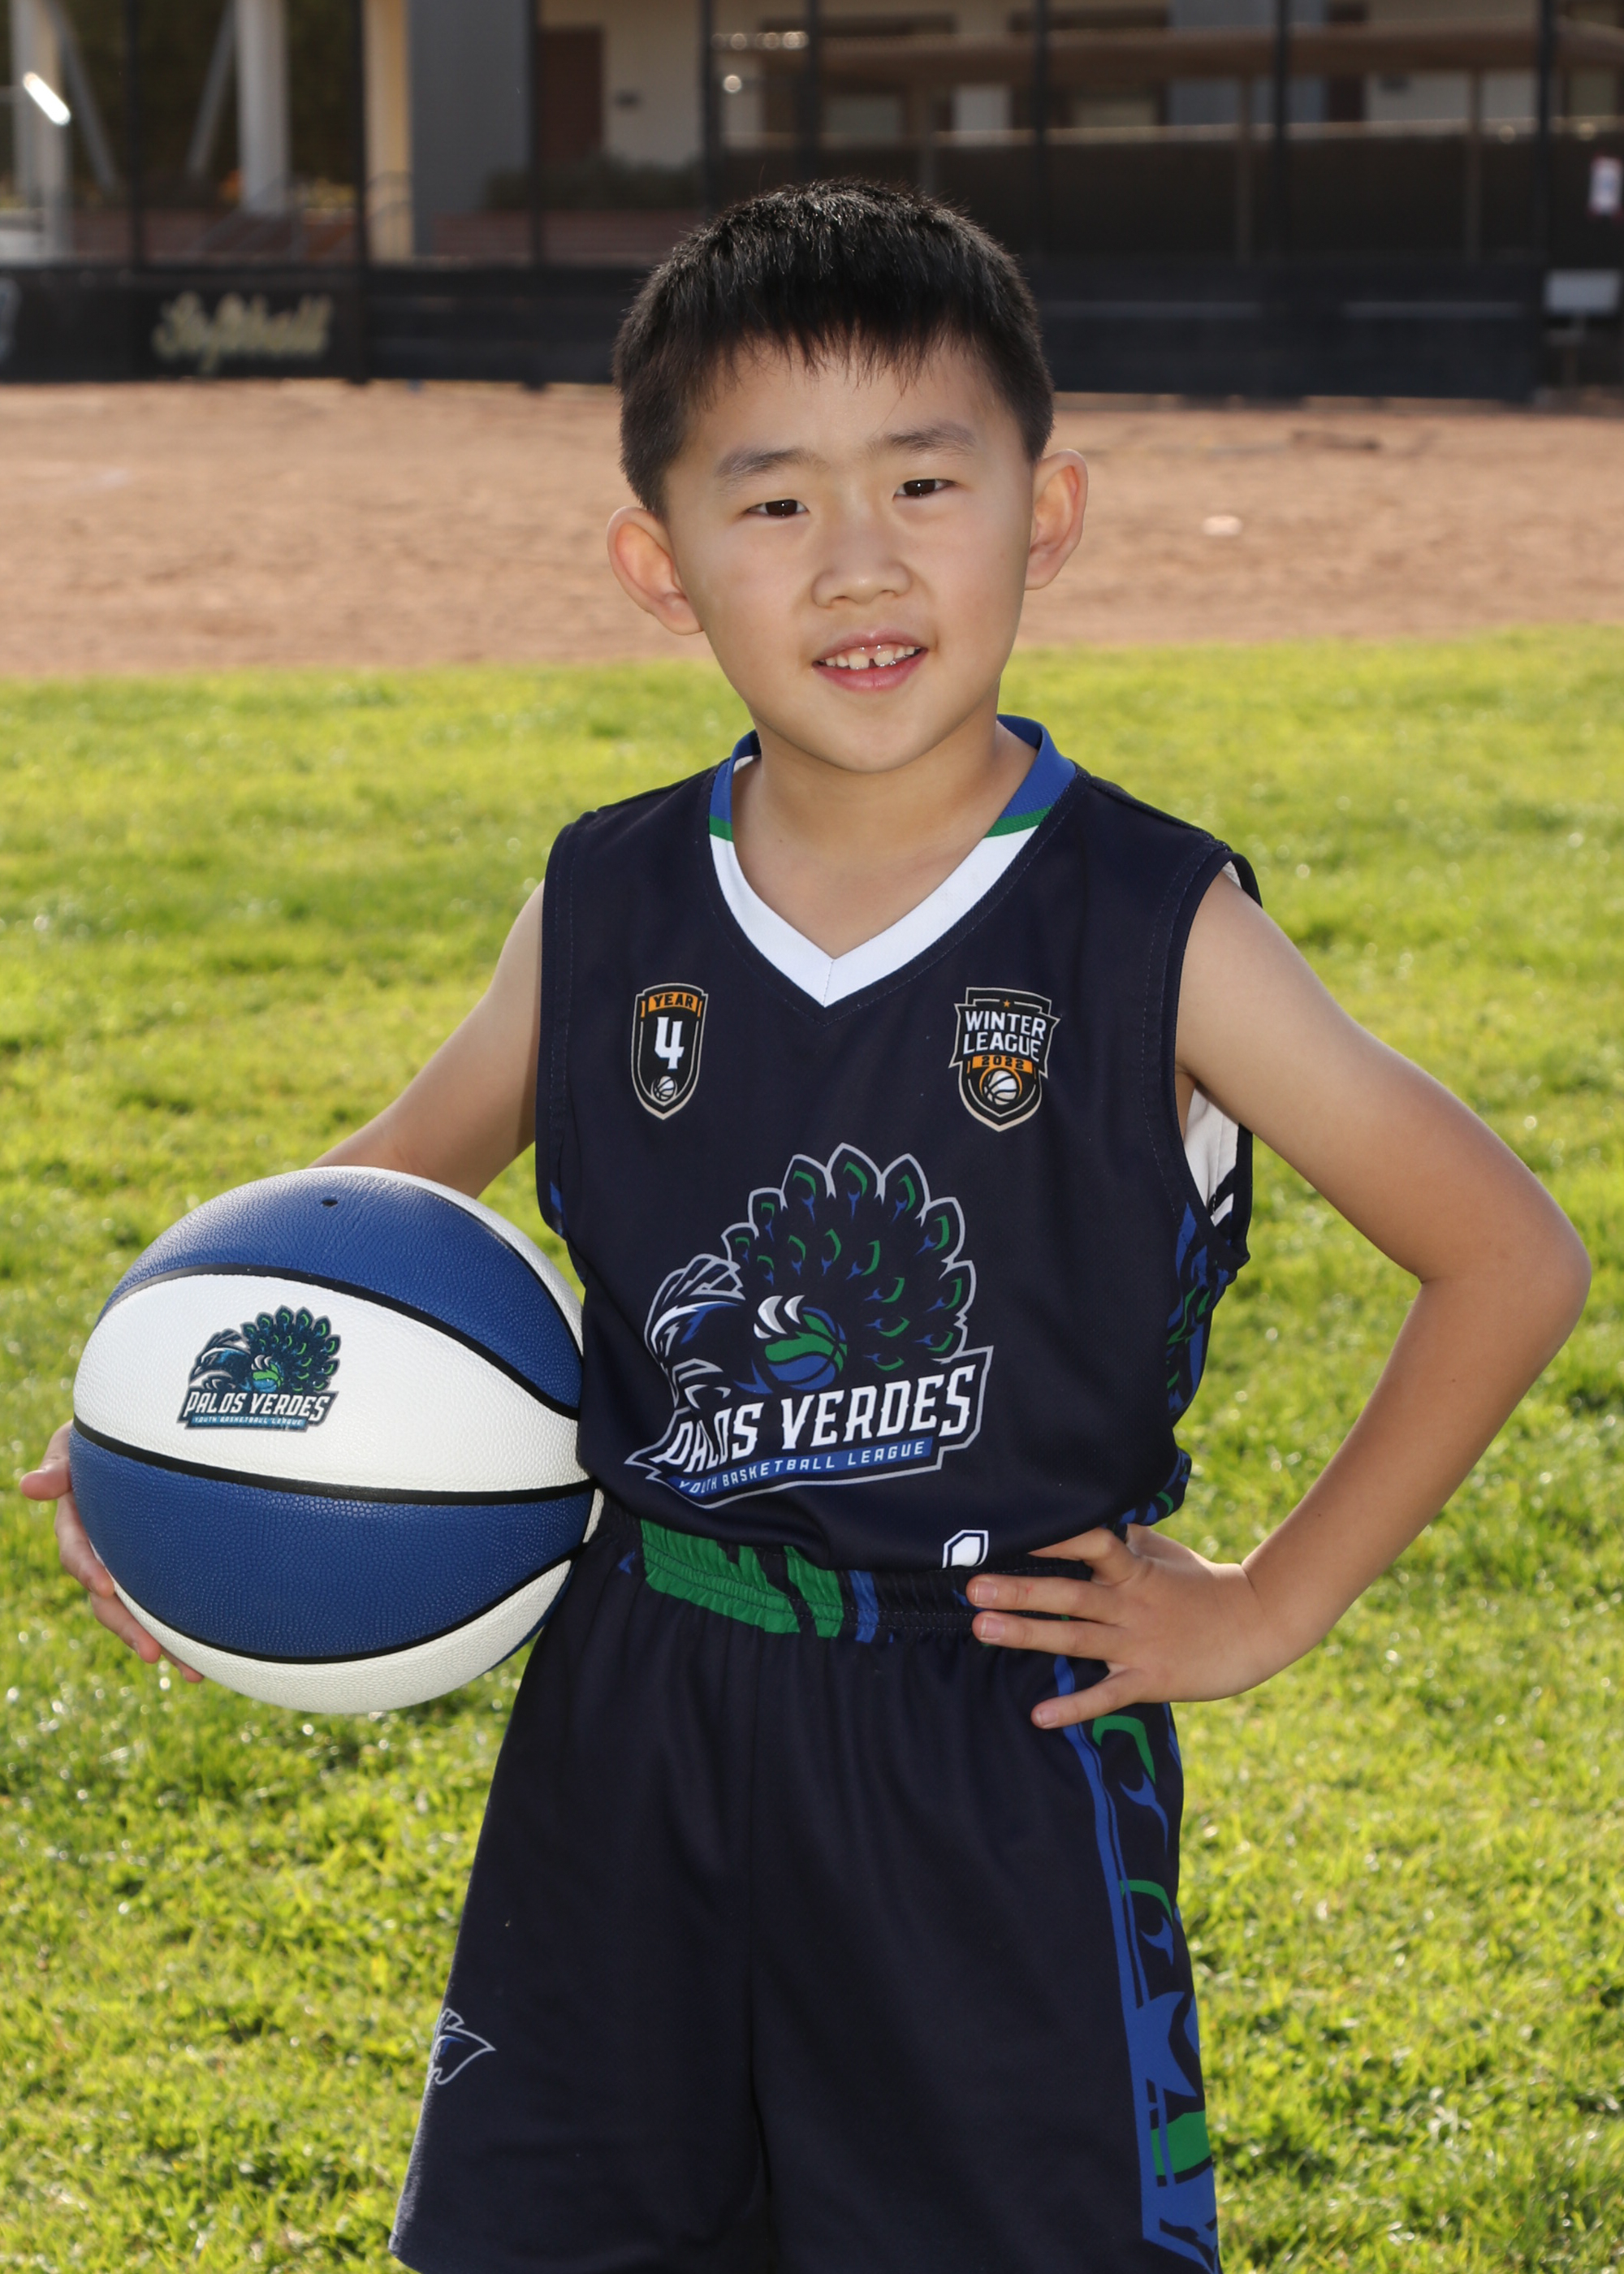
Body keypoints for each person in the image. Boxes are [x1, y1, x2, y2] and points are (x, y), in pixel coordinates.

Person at [24, 184, 1588, 2274]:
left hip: (984, 1738)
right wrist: (172, 1440)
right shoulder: (606, 907)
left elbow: (1506, 1252)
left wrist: (1269, 1602)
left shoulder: (1152, 925)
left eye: (925, 481)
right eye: (772, 503)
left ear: (1045, 514)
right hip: (634, 1709)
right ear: (658, 566)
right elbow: (365, 1207)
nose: (859, 559)